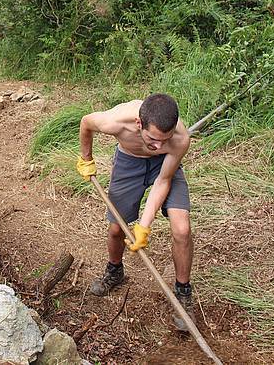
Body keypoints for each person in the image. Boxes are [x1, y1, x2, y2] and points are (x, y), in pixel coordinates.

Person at [77, 93, 195, 331]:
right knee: (116, 228)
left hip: (164, 167)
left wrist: (144, 224)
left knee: (182, 230)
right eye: (152, 138)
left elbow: (163, 180)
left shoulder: (180, 139)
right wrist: (86, 159)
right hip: (128, 162)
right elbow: (86, 123)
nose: (158, 146)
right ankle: (114, 271)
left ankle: (183, 292)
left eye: (165, 139)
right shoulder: (116, 121)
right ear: (139, 124)